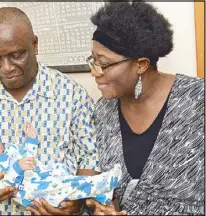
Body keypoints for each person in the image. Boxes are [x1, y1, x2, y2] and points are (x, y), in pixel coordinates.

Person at [0, 7, 101, 215]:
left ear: (34, 45)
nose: (7, 67)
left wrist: (77, 200)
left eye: (16, 55)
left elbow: (90, 156)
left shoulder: (70, 94)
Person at [85, 1, 204, 215]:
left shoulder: (198, 101)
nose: (95, 72)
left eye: (103, 63)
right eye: (93, 60)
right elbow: (108, 191)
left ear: (141, 64)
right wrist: (104, 208)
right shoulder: (102, 113)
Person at [0, 123, 121, 208]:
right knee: (71, 184)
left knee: (69, 183)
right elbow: (5, 185)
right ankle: (105, 182)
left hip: (41, 179)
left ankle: (102, 194)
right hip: (32, 192)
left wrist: (31, 139)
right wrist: (17, 168)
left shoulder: (11, 151)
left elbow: (28, 156)